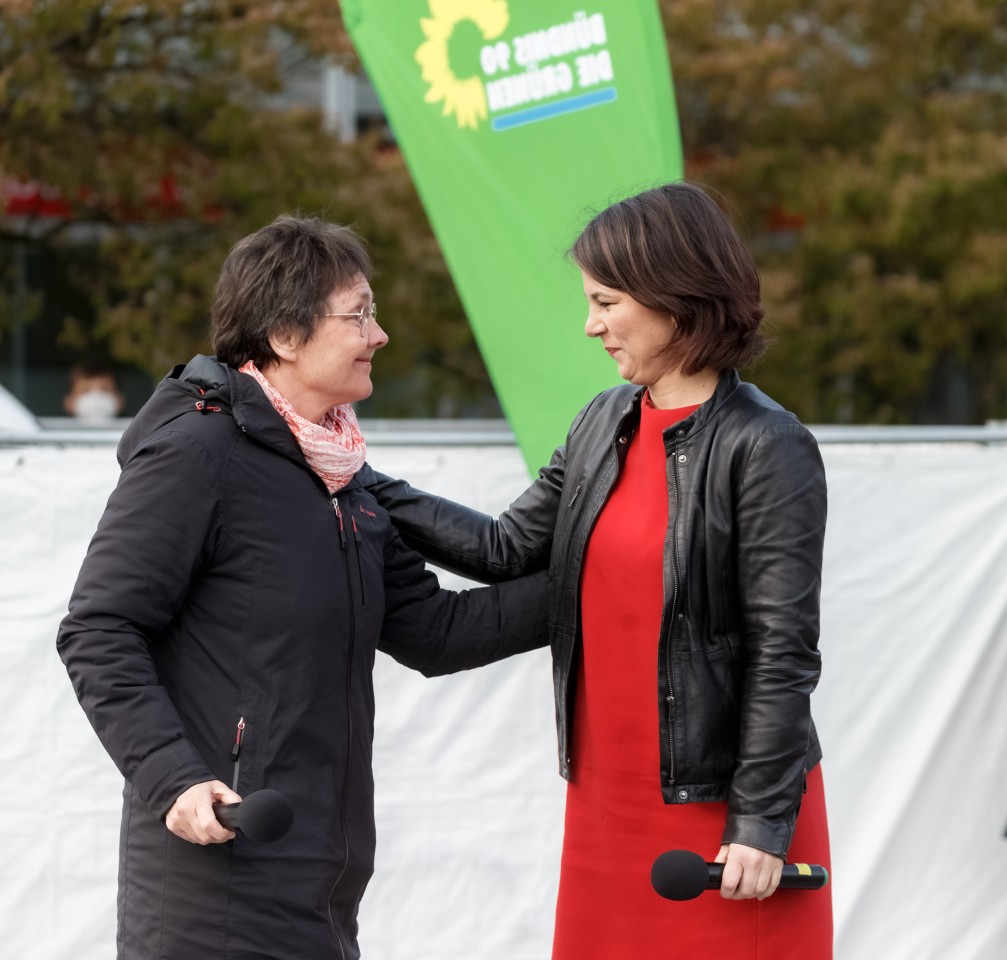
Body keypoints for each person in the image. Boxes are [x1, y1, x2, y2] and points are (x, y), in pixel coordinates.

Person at [56, 215, 548, 960]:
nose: (378, 335)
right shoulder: (198, 453)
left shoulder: (341, 474)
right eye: (359, 315)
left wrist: (602, 584)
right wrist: (175, 781)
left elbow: (436, 632)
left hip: (320, 877)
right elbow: (97, 629)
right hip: (214, 877)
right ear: (284, 336)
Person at [364, 182, 833, 958]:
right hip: (604, 800)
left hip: (718, 812)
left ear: (673, 295)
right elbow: (503, 549)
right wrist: (355, 476)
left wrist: (758, 823)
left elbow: (783, 651)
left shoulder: (766, 445)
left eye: (607, 302)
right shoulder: (601, 422)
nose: (591, 326)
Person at [63, 357, 125, 421]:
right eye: (86, 391)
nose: (96, 396)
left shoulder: (134, 430)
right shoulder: (56, 430)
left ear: (120, 399)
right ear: (69, 402)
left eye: (105, 390)